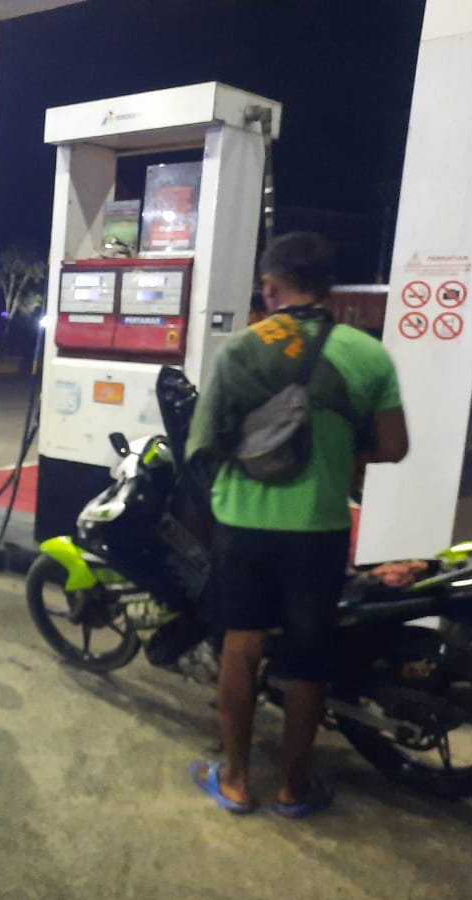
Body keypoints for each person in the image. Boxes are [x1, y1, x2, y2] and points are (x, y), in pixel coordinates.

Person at [186, 231, 408, 817]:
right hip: (319, 527)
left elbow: (205, 442)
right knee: (310, 658)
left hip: (243, 523)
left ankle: (235, 780)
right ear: (329, 287)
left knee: (241, 648)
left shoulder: (241, 349)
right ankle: (294, 787)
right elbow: (394, 446)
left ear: (270, 287)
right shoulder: (368, 355)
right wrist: (339, 454)